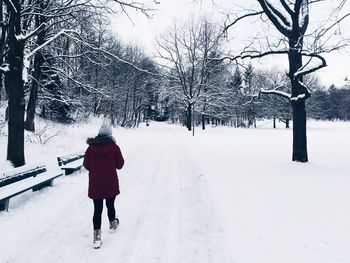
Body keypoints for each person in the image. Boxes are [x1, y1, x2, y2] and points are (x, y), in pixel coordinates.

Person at [83, 124, 124, 249]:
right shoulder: (114, 147)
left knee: (97, 209)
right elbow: (120, 164)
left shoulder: (91, 148)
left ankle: (97, 238)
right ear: (110, 135)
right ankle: (112, 224)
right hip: (110, 182)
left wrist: (96, 168)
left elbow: (86, 165)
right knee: (110, 205)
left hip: (96, 183)